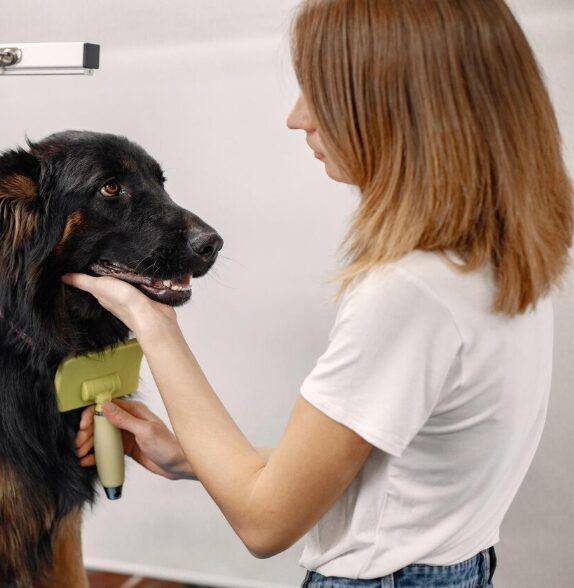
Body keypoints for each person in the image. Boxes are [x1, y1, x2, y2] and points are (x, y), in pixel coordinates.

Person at [64, 0, 573, 586]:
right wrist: (190, 457)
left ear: (394, 106)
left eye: (318, 92)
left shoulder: (409, 293)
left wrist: (151, 320)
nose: (296, 117)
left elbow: (264, 523)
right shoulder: (495, 255)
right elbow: (393, 476)